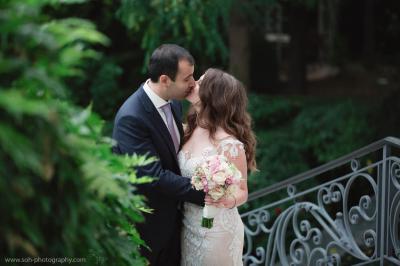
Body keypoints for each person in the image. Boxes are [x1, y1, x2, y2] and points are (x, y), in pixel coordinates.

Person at [112, 44, 205, 266]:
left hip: (177, 224)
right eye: (187, 78)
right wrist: (205, 192)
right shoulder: (131, 118)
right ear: (165, 80)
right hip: (148, 229)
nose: (193, 84)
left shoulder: (173, 104)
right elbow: (154, 175)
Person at [178, 68, 257, 266]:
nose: (193, 83)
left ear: (213, 96)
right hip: (187, 227)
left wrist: (221, 197)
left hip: (216, 232)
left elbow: (242, 192)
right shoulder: (187, 129)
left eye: (200, 83)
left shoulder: (229, 144)